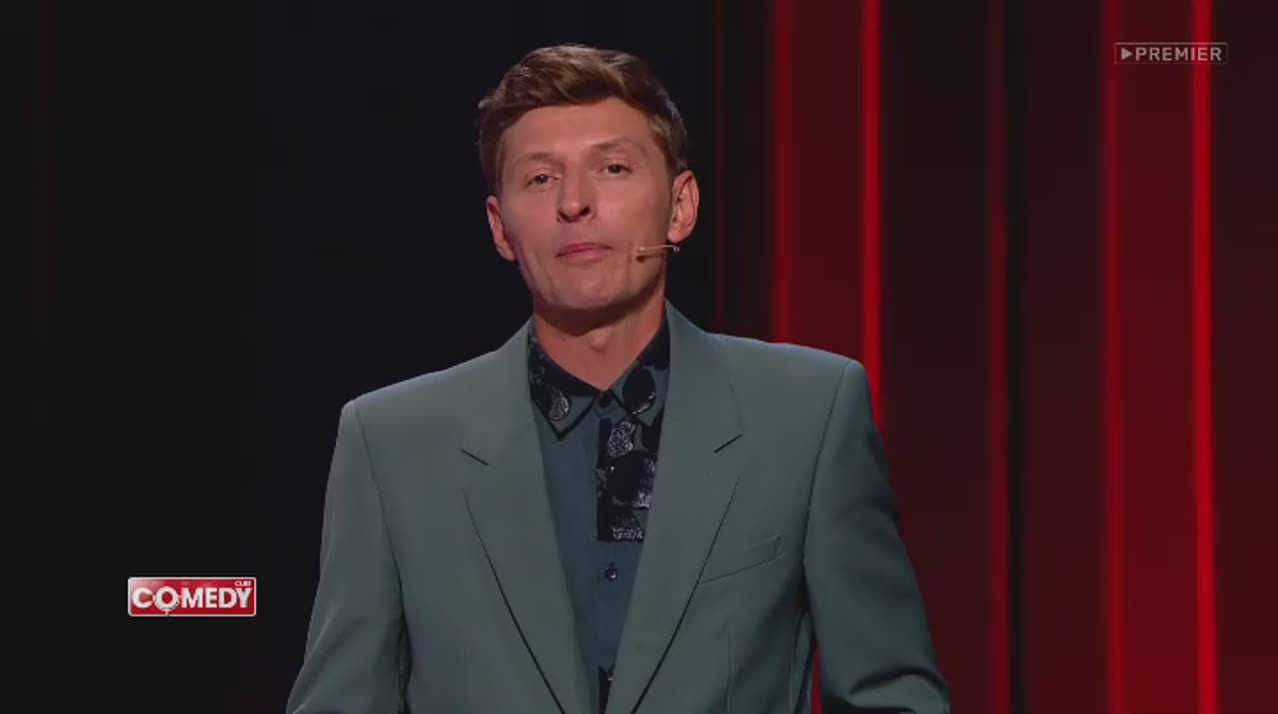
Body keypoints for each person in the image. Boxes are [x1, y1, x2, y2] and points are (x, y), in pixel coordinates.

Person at [286, 43, 950, 714]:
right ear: (501, 229)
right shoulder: (392, 445)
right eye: (540, 178)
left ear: (680, 206)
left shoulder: (806, 415)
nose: (575, 202)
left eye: (613, 168)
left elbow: (891, 695)